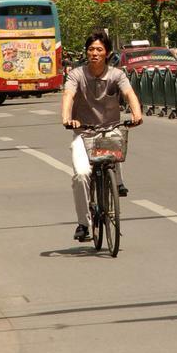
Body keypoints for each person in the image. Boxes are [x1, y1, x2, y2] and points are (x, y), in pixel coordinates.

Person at [62, 30, 143, 242]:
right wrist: (67, 118)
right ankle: (83, 223)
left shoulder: (117, 75)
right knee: (81, 175)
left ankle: (117, 182)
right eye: (91, 49)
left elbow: (129, 94)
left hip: (110, 129)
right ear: (86, 52)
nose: (94, 53)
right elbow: (68, 95)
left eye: (99, 49)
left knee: (117, 143)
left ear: (107, 53)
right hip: (84, 133)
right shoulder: (76, 74)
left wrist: (137, 114)